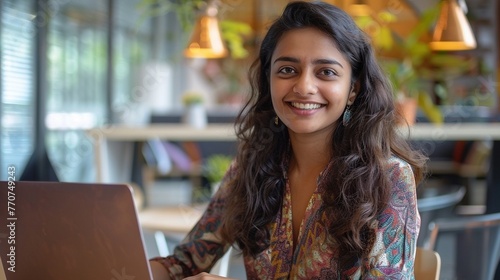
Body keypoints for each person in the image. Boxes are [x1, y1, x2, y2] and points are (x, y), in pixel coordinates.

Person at [150, 1, 427, 279]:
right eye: (287, 70)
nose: (304, 86)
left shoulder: (388, 179)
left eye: (326, 72)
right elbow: (184, 262)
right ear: (269, 80)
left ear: (353, 89)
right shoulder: (248, 169)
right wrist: (123, 265)